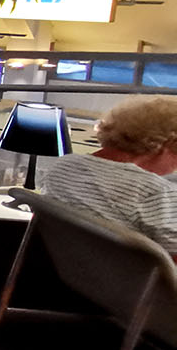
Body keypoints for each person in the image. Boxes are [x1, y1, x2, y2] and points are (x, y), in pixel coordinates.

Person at [40, 95, 177, 252]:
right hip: (131, 275)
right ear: (165, 146)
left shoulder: (64, 166)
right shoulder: (155, 192)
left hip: (64, 270)